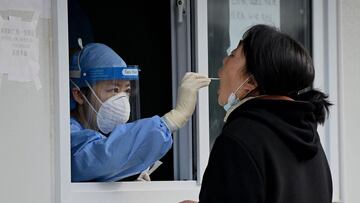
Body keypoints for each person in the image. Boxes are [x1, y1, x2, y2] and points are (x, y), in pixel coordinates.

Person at [181, 24, 333, 203]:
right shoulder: (309, 138)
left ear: (250, 82)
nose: (223, 61)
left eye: (232, 55)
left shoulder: (239, 139)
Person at [69, 42, 210, 182]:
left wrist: (127, 179)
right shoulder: (67, 134)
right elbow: (97, 158)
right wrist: (171, 121)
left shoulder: (103, 134)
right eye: (114, 90)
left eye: (127, 91)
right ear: (79, 95)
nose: (122, 98)